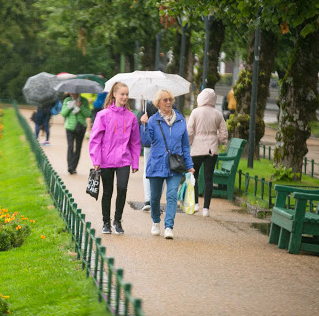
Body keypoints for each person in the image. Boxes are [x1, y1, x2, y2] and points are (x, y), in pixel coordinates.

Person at [140, 90, 194, 239]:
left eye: (170, 99)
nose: (169, 102)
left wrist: (189, 165)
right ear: (158, 103)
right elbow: (146, 142)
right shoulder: (152, 120)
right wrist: (143, 125)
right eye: (165, 100)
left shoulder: (181, 120)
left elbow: (185, 146)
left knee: (171, 195)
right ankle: (156, 221)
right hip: (157, 163)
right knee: (155, 198)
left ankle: (169, 227)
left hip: (175, 165)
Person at [89, 82, 141, 235]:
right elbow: (95, 139)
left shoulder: (132, 118)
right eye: (122, 94)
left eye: (127, 94)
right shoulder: (103, 115)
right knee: (108, 191)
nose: (125, 97)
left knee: (122, 188)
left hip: (124, 160)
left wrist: (135, 161)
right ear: (114, 95)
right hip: (106, 160)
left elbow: (135, 142)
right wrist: (96, 160)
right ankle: (106, 222)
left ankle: (117, 221)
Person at [187, 88, 228, 217]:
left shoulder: (195, 112)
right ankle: (206, 209)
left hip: (197, 147)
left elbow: (189, 131)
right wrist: (218, 141)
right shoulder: (217, 113)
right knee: (208, 178)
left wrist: (191, 142)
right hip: (212, 149)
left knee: (194, 175)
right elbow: (224, 133)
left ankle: (196, 204)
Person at [61, 93, 91, 174]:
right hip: (70, 127)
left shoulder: (84, 101)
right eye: (71, 92)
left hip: (81, 127)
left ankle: (74, 167)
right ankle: (70, 166)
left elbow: (88, 114)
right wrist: (69, 106)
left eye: (74, 92)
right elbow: (63, 113)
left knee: (78, 147)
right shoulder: (67, 100)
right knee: (70, 146)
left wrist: (80, 106)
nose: (72, 94)